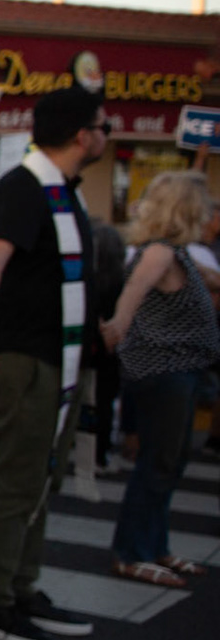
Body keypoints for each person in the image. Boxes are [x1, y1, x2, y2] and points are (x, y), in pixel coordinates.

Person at [0, 87, 105, 640]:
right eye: (102, 126)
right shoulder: (25, 187)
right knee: (16, 479)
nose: (107, 136)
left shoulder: (58, 189)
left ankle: (21, 587)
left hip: (55, 357)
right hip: (26, 358)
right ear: (83, 134)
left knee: (38, 478)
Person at [100, 170, 220, 588]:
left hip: (179, 371)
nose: (209, 214)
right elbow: (134, 289)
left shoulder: (178, 253)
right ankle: (131, 553)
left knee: (170, 463)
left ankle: (156, 546)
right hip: (163, 372)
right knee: (157, 463)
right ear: (187, 209)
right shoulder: (159, 253)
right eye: (203, 207)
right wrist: (119, 324)